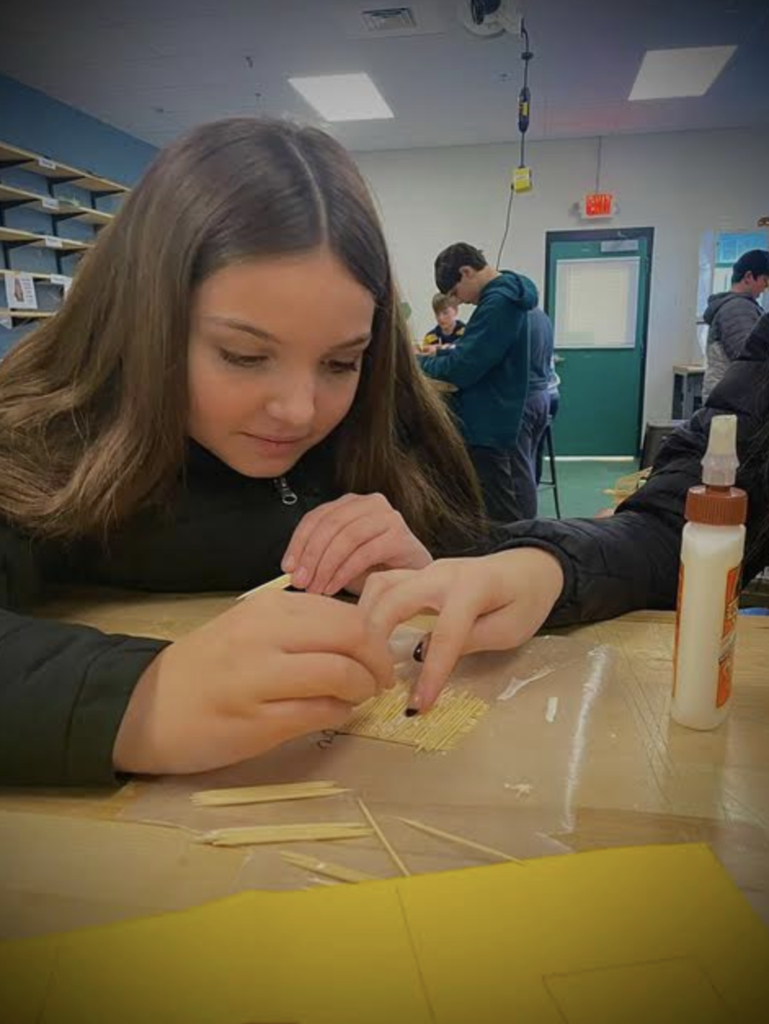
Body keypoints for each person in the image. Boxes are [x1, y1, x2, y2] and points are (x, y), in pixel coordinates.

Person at [0, 118, 485, 787]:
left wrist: (434, 575)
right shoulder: (42, 436)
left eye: (341, 363)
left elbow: (510, 558)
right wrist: (139, 699)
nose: (298, 410)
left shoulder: (388, 424)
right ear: (145, 322)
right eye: (243, 356)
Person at [362, 313, 769, 713]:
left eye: (340, 364)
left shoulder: (490, 320)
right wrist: (546, 561)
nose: (298, 410)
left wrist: (538, 559)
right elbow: (669, 524)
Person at [419, 242, 538, 524]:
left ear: (466, 271)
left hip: (488, 419)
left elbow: (461, 367)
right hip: (496, 412)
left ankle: (509, 562)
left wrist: (415, 363)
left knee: (500, 510)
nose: (458, 302)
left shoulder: (500, 303)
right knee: (497, 501)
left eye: (455, 293)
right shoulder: (506, 295)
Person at [703, 248, 769, 398]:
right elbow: (747, 356)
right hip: (732, 399)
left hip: (730, 396)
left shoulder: (739, 306)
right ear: (748, 277)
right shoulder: (738, 308)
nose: (766, 288)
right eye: (766, 280)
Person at [533, 311, 560, 485]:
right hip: (550, 395)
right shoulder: (542, 321)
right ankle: (533, 485)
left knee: (529, 451)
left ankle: (530, 488)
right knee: (535, 449)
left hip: (542, 397)